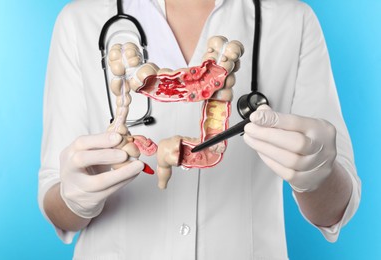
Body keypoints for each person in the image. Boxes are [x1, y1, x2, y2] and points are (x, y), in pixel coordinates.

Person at [38, 0, 361, 259]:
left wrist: (318, 174)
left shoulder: (293, 21)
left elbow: (336, 210)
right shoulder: (79, 20)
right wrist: (75, 197)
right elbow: (56, 205)